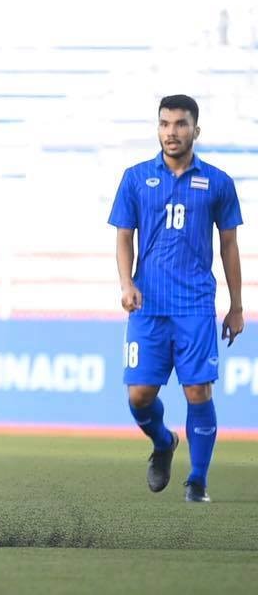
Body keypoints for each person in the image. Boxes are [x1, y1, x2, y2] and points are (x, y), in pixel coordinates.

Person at [108, 94, 244, 503]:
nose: (172, 132)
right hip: (148, 307)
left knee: (198, 391)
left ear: (195, 130)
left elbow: (230, 245)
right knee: (139, 396)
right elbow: (123, 236)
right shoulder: (135, 178)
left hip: (196, 307)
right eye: (165, 124)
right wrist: (126, 283)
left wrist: (237, 306)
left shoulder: (218, 182)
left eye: (180, 124)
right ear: (158, 129)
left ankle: (197, 482)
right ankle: (164, 441)